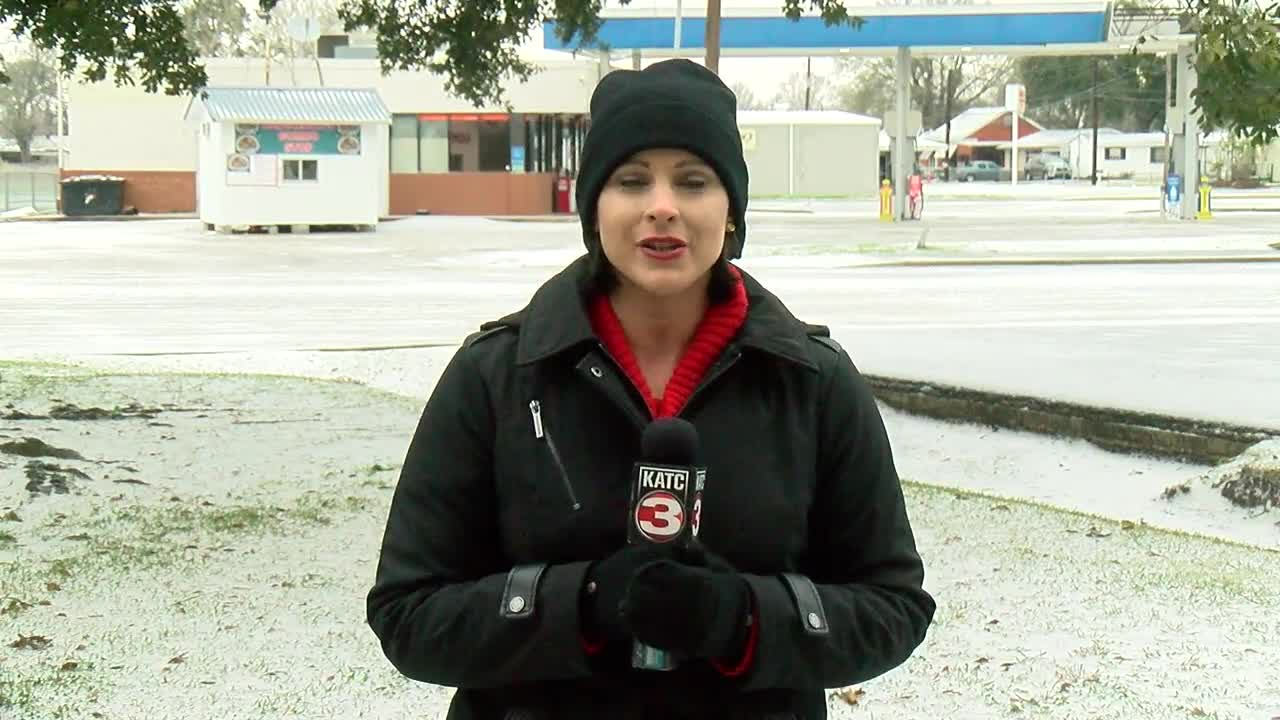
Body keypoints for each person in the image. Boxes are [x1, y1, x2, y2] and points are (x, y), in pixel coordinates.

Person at [366, 59, 935, 720]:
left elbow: (893, 606)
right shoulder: (497, 375)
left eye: (693, 182)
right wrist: (576, 604)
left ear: (729, 214)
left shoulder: (813, 381)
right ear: (595, 211)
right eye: (632, 180)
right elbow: (409, 614)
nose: (661, 206)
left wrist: (744, 620)